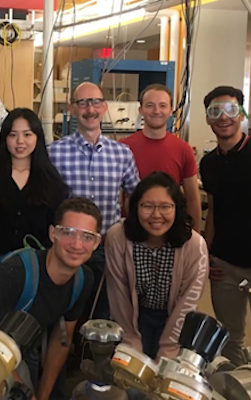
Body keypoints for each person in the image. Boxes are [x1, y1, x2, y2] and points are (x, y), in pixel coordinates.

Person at [0, 197, 99, 400]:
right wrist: (24, 392)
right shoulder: (15, 272)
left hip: (25, 344)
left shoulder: (84, 279)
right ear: (53, 234)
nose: (77, 244)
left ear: (97, 242)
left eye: (87, 237)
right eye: (68, 233)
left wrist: (41, 396)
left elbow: (61, 340)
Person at [47, 82, 140, 319]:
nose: (90, 109)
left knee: (102, 311)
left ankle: (92, 354)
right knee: (64, 309)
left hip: (106, 248)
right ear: (72, 109)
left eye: (96, 102)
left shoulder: (122, 153)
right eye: (83, 103)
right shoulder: (54, 152)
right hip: (68, 247)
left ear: (104, 107)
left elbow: (138, 198)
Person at [105, 172, 209, 360]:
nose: (156, 215)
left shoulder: (194, 245)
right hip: (134, 316)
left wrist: (168, 347)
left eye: (165, 207)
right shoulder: (118, 237)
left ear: (177, 208)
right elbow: (118, 293)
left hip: (175, 318)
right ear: (135, 207)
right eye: (147, 206)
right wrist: (131, 340)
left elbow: (188, 301)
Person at [199, 85, 251, 367]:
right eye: (214, 111)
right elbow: (214, 212)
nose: (223, 117)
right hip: (227, 268)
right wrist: (207, 255)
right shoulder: (208, 163)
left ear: (242, 114)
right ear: (208, 118)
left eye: (231, 109)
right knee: (232, 339)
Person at [0, 108, 69, 259]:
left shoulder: (52, 180)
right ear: (4, 138)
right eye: (13, 135)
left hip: (38, 266)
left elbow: (56, 228)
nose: (20, 141)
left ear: (37, 138)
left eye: (27, 134)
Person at [120, 84, 202, 232]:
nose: (156, 111)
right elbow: (118, 197)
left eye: (162, 106)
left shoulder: (183, 149)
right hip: (132, 232)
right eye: (150, 105)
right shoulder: (123, 148)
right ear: (141, 110)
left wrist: (194, 237)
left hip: (171, 231)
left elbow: (193, 199)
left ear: (171, 111)